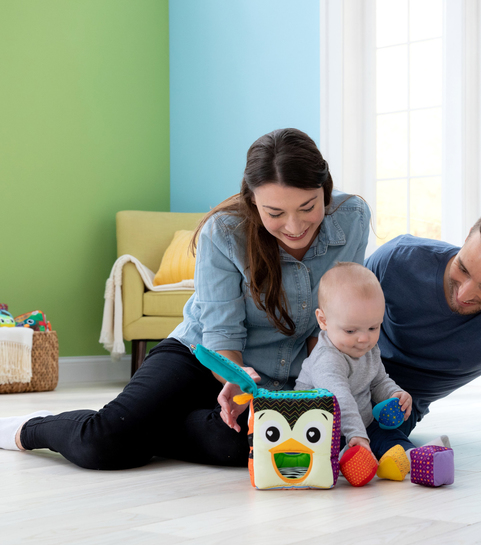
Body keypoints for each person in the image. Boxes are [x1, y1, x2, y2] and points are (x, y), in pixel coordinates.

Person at [0, 128, 370, 470]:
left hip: (286, 374)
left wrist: (323, 389)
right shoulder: (224, 233)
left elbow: (332, 319)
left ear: (325, 188)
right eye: (275, 213)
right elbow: (221, 335)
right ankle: (28, 428)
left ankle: (149, 425)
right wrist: (236, 378)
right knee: (104, 443)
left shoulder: (351, 217)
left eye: (308, 207)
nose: (294, 225)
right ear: (252, 201)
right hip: (203, 355)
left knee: (247, 448)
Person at [365, 206, 481, 471]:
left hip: (398, 405)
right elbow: (330, 325)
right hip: (347, 373)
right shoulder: (395, 259)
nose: (464, 294)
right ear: (465, 242)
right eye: (462, 268)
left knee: (376, 435)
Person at [294, 262, 414, 480]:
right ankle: (354, 462)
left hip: (362, 424)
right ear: (323, 320)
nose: (364, 338)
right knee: (322, 448)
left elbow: (378, 381)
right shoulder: (326, 358)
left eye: (373, 327)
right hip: (324, 429)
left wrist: (394, 393)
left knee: (392, 436)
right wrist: (356, 435)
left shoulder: (368, 349)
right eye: (351, 330)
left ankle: (409, 457)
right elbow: (339, 399)